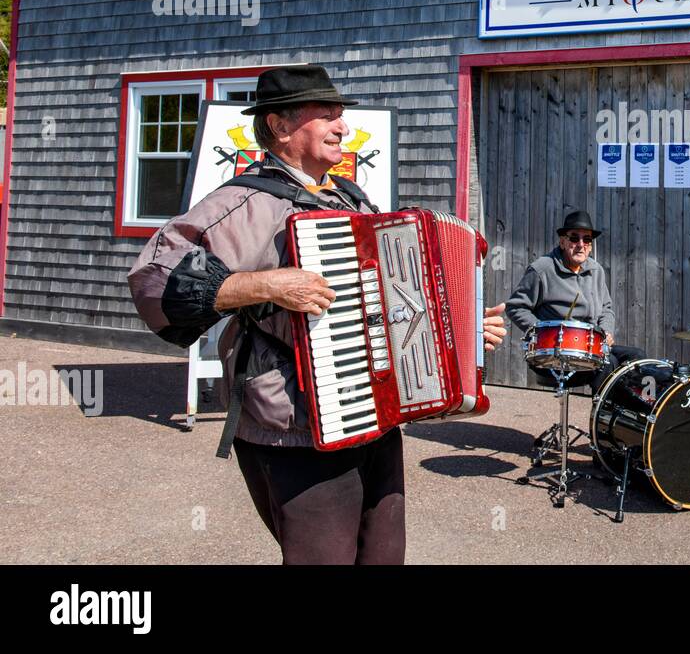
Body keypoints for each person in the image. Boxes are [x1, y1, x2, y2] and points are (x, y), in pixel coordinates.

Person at [127, 64, 506, 564]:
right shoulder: (238, 203)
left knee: (384, 556)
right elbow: (153, 281)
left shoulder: (351, 197)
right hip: (293, 427)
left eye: (341, 115)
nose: (342, 126)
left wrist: (454, 333)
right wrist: (264, 284)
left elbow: (388, 304)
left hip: (375, 417)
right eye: (326, 115)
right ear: (281, 126)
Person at [505, 210, 640, 389]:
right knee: (609, 364)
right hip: (555, 351)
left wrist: (607, 331)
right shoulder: (541, 270)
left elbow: (606, 308)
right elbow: (515, 307)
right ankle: (599, 416)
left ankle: (622, 414)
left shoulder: (596, 270)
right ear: (562, 241)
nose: (581, 245)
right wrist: (543, 333)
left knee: (637, 358)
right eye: (574, 238)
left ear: (590, 246)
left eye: (587, 240)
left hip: (592, 347)